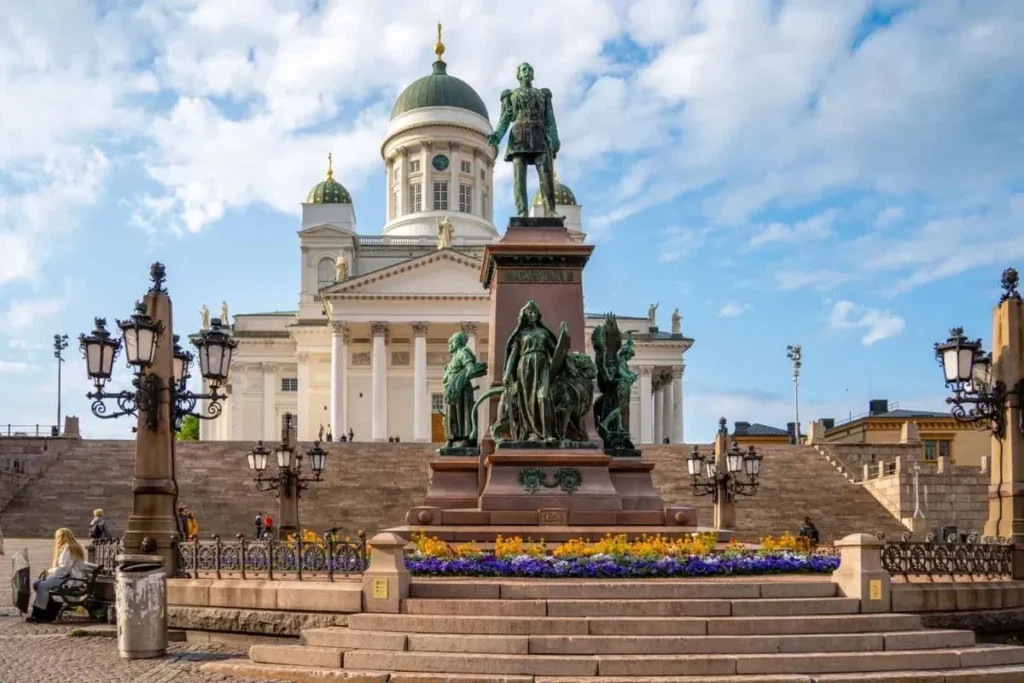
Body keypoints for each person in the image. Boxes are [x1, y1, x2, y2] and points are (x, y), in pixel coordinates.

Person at [27, 528, 86, 622]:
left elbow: (64, 569)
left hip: (70, 579)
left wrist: (49, 575)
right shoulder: (72, 546)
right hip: (68, 577)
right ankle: (41, 611)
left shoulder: (68, 548)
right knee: (37, 583)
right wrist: (50, 572)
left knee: (42, 585)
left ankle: (40, 614)